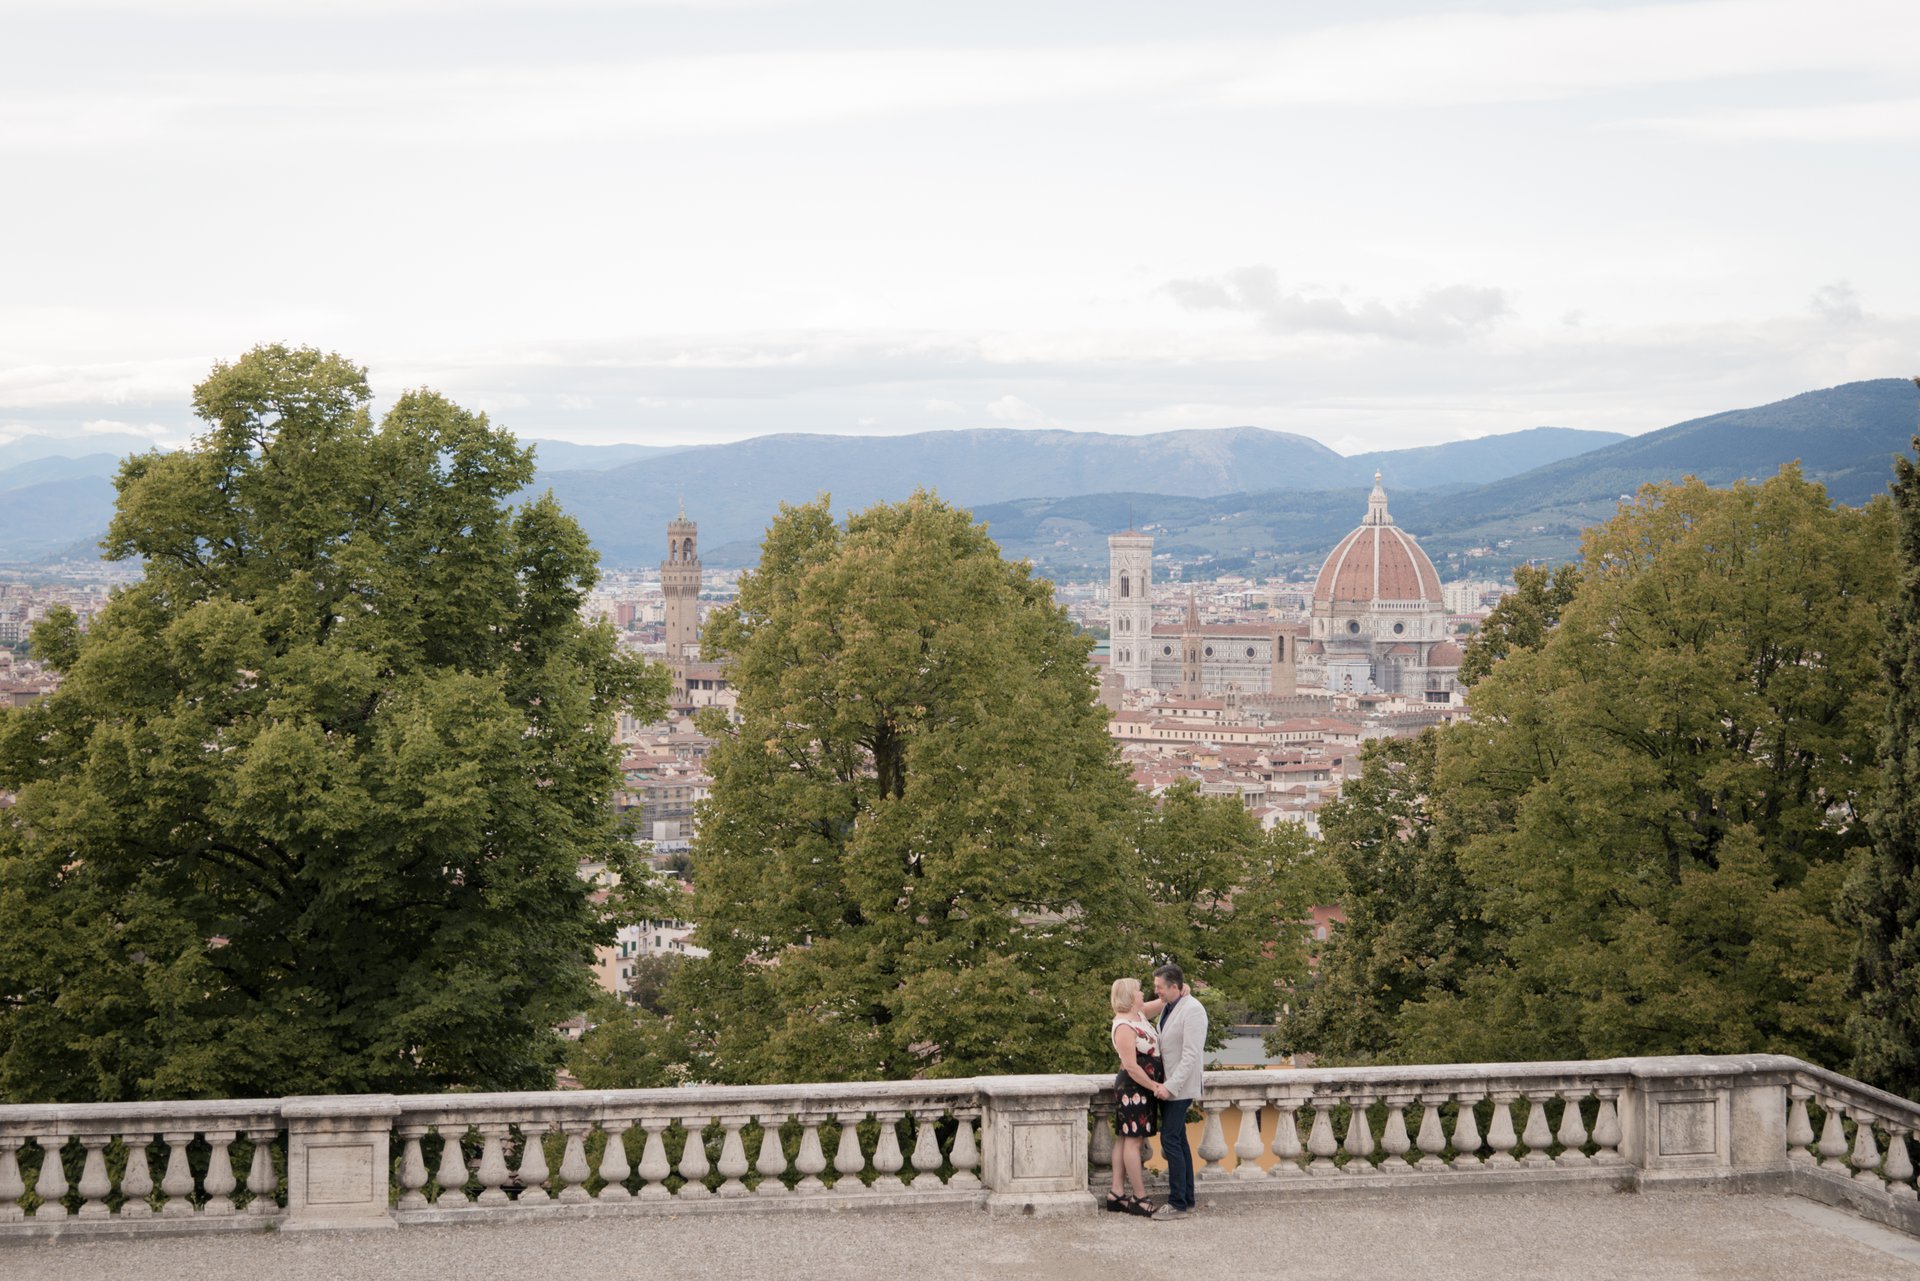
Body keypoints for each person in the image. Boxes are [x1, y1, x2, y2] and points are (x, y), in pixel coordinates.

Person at [1106, 977, 1170, 1216]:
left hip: (1140, 1088)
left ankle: (1116, 1193)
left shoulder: (1138, 1015)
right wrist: (1154, 1086)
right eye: (1139, 990)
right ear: (1130, 996)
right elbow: (1131, 1066)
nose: (1143, 993)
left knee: (1125, 1139)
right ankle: (1139, 1198)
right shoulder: (1123, 1026)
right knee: (1132, 1141)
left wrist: (1178, 991)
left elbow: (1161, 1003)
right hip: (1133, 1088)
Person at [1151, 962, 1208, 1219]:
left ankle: (1177, 1203)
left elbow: (1191, 1055)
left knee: (1170, 1141)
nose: (1157, 991)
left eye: (1160, 987)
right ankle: (1187, 1198)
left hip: (1179, 1087)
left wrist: (1170, 1087)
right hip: (1170, 1085)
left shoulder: (1193, 1010)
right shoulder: (1171, 1006)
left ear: (1174, 986)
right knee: (1179, 1141)